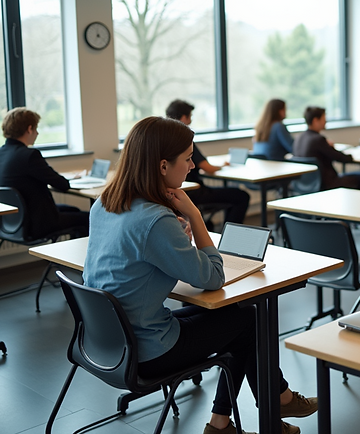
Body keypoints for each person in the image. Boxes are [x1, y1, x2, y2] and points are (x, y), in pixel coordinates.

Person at [82, 116, 316, 434]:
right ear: (163, 166)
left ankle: (236, 418)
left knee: (233, 314)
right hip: (148, 350)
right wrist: (194, 214)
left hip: (105, 343)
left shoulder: (104, 205)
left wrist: (178, 241)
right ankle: (270, 404)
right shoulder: (155, 220)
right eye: (188, 158)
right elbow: (213, 277)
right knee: (248, 320)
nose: (193, 165)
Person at [0, 107, 89, 239]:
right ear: (29, 129)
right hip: (38, 223)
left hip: (16, 221)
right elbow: (62, 185)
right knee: (89, 218)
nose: (37, 133)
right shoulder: (29, 155)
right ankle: (79, 258)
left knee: (74, 212)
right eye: (36, 129)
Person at [166, 100, 251, 227]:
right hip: (193, 193)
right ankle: (229, 236)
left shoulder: (164, 139)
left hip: (177, 193)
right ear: (184, 118)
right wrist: (223, 166)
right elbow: (207, 167)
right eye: (190, 117)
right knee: (241, 196)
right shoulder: (184, 140)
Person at [293, 106, 360, 191]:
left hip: (304, 183)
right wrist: (350, 156)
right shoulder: (318, 139)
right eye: (323, 118)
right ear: (315, 121)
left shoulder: (299, 138)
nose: (326, 121)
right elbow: (339, 157)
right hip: (326, 183)